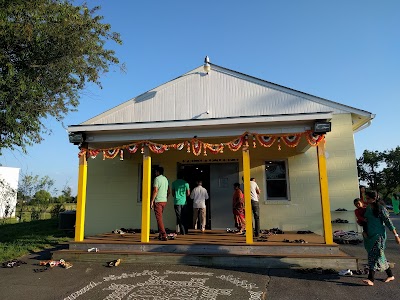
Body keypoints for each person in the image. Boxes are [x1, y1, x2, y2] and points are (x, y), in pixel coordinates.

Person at [362, 191, 400, 286]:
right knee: (379, 255)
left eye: (369, 198)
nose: (367, 200)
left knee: (373, 256)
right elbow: (365, 220)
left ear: (374, 198)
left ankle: (371, 279)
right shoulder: (368, 208)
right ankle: (390, 275)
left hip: (378, 236)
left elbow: (388, 222)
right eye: (366, 198)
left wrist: (396, 236)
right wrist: (364, 230)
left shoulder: (381, 208)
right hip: (369, 236)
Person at [150, 167, 171, 241]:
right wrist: (165, 197)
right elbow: (169, 190)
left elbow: (155, 190)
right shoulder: (165, 179)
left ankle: (163, 234)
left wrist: (152, 200)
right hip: (164, 200)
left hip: (158, 200)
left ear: (158, 172)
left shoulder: (157, 179)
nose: (155, 173)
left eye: (156, 172)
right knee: (160, 217)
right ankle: (160, 234)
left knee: (159, 218)